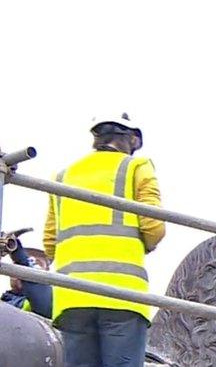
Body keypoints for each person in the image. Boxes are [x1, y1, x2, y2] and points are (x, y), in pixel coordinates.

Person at [45, 113, 165, 367]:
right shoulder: (136, 166)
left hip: (72, 296)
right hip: (121, 294)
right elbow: (154, 227)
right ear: (132, 138)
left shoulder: (63, 175)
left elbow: (49, 242)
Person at [1, 237, 53, 319]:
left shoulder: (50, 301)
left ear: (47, 270)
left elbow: (42, 299)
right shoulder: (5, 301)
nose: (22, 270)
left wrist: (21, 259)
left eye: (36, 265)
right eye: (16, 264)